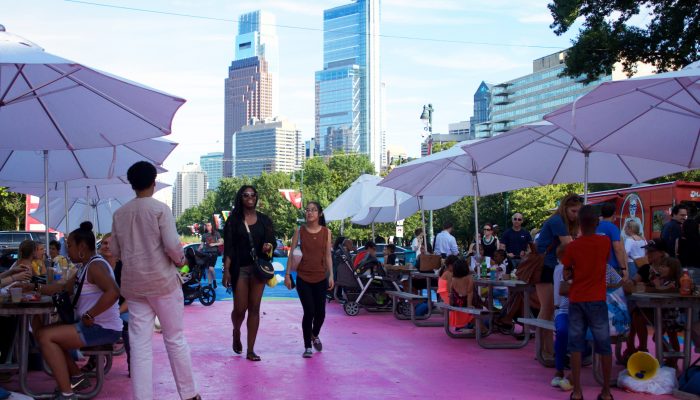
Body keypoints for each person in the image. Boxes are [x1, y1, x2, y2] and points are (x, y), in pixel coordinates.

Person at [110, 161, 199, 400]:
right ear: (153, 182)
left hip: (134, 286)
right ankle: (189, 394)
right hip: (163, 283)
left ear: (132, 184)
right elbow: (172, 246)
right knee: (174, 338)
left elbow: (114, 250)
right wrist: (181, 261)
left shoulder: (119, 214)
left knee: (139, 345)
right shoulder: (160, 209)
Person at [34, 222, 122, 400]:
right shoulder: (85, 266)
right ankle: (76, 377)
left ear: (82, 247)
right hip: (93, 326)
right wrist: (33, 287)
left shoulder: (97, 266)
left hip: (102, 328)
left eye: (70, 246)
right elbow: (61, 287)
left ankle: (67, 393)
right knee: (40, 331)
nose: (68, 251)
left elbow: (113, 293)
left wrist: (91, 314)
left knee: (45, 336)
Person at [560, 205, 613, 400]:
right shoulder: (605, 242)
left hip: (577, 299)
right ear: (597, 222)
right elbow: (604, 262)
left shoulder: (573, 246)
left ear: (579, 223)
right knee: (604, 344)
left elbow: (566, 272)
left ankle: (577, 391)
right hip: (597, 299)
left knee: (575, 345)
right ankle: (606, 392)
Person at [222, 185, 275, 362]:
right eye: (246, 195)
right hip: (240, 269)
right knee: (239, 310)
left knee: (254, 309)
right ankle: (236, 331)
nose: (250, 197)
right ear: (241, 198)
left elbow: (271, 243)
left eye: (253, 195)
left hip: (258, 270)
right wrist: (227, 270)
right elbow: (229, 248)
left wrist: (268, 246)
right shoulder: (233, 221)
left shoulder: (265, 221)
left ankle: (251, 350)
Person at [535, 194, 583, 360]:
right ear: (565, 208)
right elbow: (570, 244)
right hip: (544, 267)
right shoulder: (557, 221)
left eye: (578, 211)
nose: (575, 214)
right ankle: (544, 350)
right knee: (547, 308)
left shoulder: (561, 222)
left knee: (549, 309)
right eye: (573, 211)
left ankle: (546, 349)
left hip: (551, 267)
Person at [285, 201, 334, 358]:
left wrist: (331, 275)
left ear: (319, 214)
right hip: (303, 278)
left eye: (313, 210)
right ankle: (307, 346)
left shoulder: (326, 232)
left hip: (320, 277)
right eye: (307, 210)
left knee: (321, 314)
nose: (309, 212)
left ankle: (314, 335)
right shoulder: (299, 231)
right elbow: (291, 254)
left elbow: (327, 255)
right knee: (309, 311)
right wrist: (287, 275)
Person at [551, 244, 573, 392]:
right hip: (565, 310)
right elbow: (561, 293)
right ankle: (559, 369)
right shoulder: (560, 269)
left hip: (583, 310)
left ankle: (571, 374)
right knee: (563, 331)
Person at [596, 202, 630, 280]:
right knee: (614, 291)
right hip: (612, 267)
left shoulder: (595, 226)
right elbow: (617, 249)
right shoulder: (613, 228)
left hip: (597, 267)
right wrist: (623, 268)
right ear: (614, 213)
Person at [200, 221, 222, 288]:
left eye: (209, 225)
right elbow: (201, 245)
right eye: (206, 225)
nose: (207, 226)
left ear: (212, 226)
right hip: (206, 253)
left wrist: (214, 244)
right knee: (208, 270)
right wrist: (198, 250)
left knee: (211, 268)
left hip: (214, 253)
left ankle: (214, 281)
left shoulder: (216, 233)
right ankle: (209, 284)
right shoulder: (204, 235)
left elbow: (221, 242)